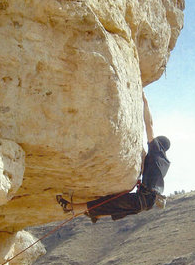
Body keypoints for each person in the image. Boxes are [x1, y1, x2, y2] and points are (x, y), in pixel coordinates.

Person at [57, 92, 170, 222]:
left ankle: (71, 208)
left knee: (111, 202)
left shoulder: (156, 150)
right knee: (117, 208)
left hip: (142, 198)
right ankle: (96, 215)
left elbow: (149, 125)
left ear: (159, 143)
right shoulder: (164, 163)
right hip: (147, 202)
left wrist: (145, 102)